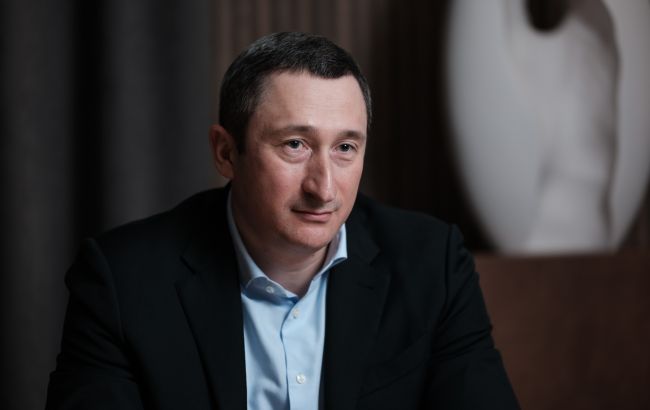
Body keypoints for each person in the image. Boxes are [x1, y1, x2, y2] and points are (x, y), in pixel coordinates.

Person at [46, 32, 519, 409]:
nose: (324, 188)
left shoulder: (432, 264)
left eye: (345, 148)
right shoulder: (123, 281)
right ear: (226, 152)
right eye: (295, 145)